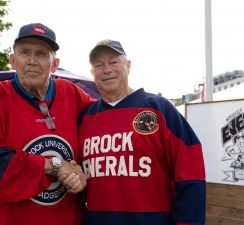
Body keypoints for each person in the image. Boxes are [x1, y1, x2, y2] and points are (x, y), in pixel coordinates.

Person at [0, 23, 94, 225]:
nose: (33, 61)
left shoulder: (72, 94)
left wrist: (79, 174)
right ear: (13, 60)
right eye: (25, 52)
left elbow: (103, 127)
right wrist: (54, 165)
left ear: (54, 64)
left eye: (42, 54)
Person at [78, 39, 206, 225]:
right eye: (99, 65)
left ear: (128, 66)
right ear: (92, 72)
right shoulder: (85, 118)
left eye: (114, 62)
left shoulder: (159, 109)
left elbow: (191, 175)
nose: (106, 69)